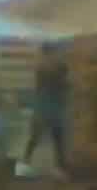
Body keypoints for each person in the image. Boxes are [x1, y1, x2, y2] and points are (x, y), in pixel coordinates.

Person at [21, 44, 73, 177]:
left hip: (46, 106)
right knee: (55, 138)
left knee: (42, 137)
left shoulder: (44, 68)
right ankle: (58, 167)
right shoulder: (57, 68)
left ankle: (26, 164)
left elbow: (44, 87)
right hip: (50, 107)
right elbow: (64, 85)